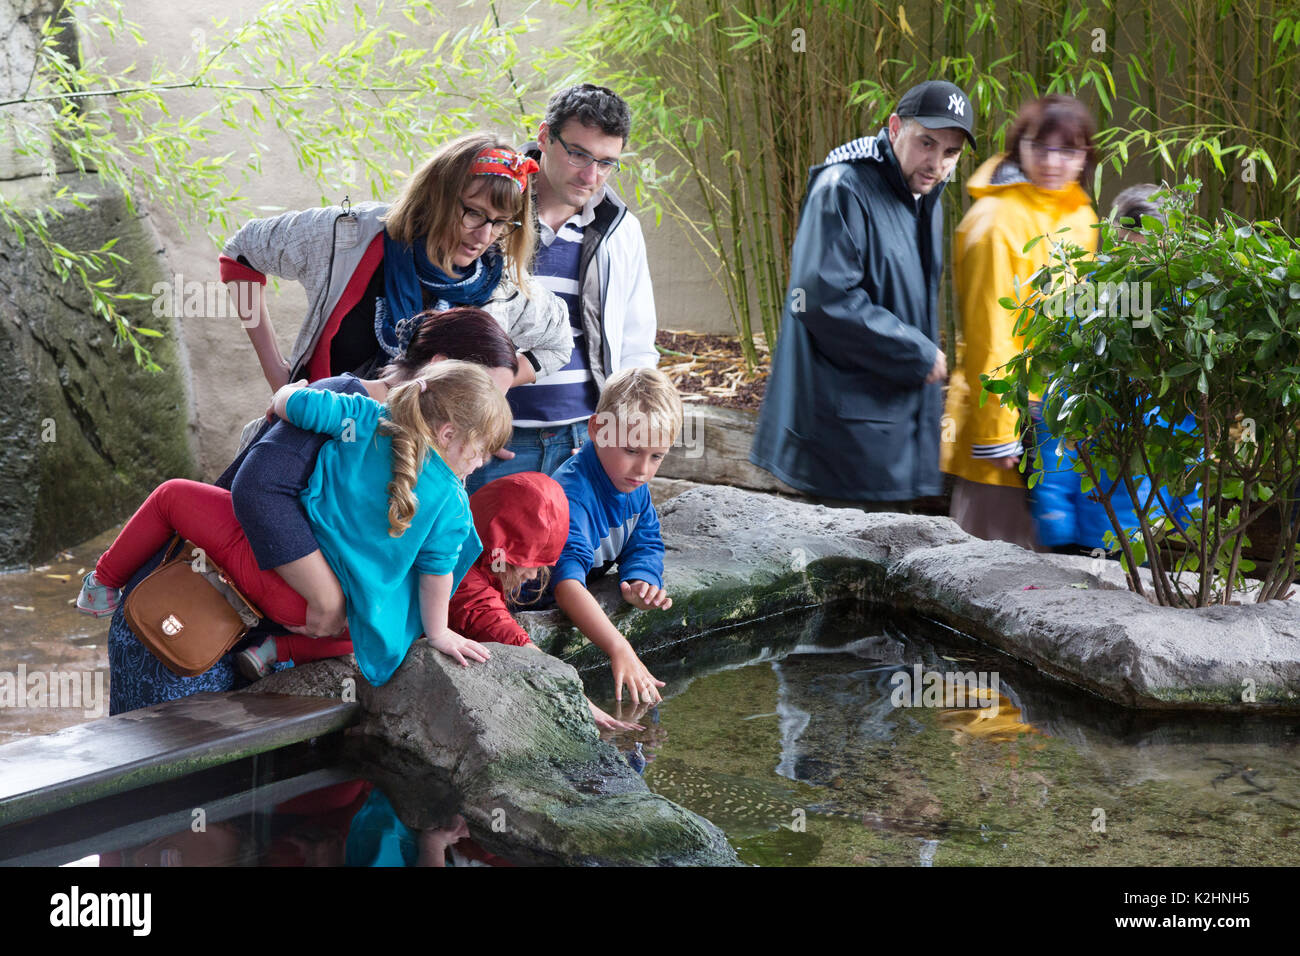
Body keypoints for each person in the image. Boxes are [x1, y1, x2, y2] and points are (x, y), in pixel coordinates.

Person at [81, 361, 512, 686]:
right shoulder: (455, 507)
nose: (480, 463)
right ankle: (275, 651)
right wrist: (437, 633)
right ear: (448, 434)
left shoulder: (362, 418)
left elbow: (294, 405)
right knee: (384, 625)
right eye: (480, 451)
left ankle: (103, 583)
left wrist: (287, 392)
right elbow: (436, 574)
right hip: (314, 615)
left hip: (272, 570)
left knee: (172, 494)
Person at [220, 133, 573, 450]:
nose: (484, 236)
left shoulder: (503, 292)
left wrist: (496, 384)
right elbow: (241, 254)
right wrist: (276, 372)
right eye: (473, 214)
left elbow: (558, 344)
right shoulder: (350, 235)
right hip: (306, 449)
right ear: (438, 196)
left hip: (407, 484)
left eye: (500, 222)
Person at [749, 80, 975, 505]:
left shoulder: (926, 196)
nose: (937, 163)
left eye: (951, 152)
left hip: (888, 434)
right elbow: (822, 300)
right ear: (894, 128)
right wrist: (917, 353)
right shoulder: (844, 186)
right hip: (847, 443)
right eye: (926, 143)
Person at [467, 84, 659, 494]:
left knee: (571, 559)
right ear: (543, 137)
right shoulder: (488, 208)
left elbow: (636, 343)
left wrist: (621, 435)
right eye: (578, 154)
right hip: (491, 440)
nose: (591, 176)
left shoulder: (620, 230)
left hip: (583, 442)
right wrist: (464, 422)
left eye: (606, 164)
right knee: (477, 557)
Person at [940, 94, 1099, 548]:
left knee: (1048, 571)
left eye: (1068, 150)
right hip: (1007, 420)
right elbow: (991, 328)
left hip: (1056, 417)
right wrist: (997, 432)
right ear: (1017, 147)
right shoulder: (996, 220)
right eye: (1040, 146)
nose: (1053, 162)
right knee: (987, 569)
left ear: (1085, 155)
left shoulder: (1079, 212)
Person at [1029, 184, 1199, 552]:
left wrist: (1192, 514)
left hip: (1150, 519)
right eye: (1122, 250)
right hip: (1090, 514)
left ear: (1173, 247)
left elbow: (1192, 426)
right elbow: (1058, 413)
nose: (1131, 269)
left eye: (1146, 256)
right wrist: (1055, 511)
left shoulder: (1186, 317)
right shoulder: (1088, 305)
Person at [448, 471, 641, 731]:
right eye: (526, 563)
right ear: (499, 546)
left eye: (543, 565)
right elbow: (512, 640)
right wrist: (584, 707)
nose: (532, 575)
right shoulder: (463, 577)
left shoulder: (476, 538)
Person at [547, 367, 683, 705]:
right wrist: (618, 647)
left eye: (657, 456)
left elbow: (645, 540)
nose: (643, 470)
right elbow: (565, 587)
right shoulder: (571, 497)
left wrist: (641, 579)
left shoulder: (632, 484)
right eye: (632, 451)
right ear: (597, 429)